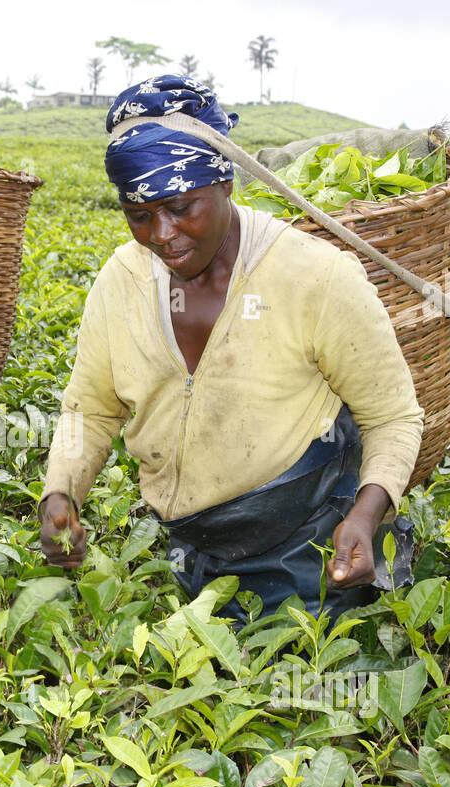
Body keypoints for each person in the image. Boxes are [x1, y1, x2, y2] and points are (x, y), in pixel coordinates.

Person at [38, 75, 423, 623]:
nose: (162, 234)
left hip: (308, 542)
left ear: (225, 185)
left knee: (298, 683)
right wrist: (61, 494)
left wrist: (365, 514)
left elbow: (393, 417)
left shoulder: (317, 276)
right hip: (186, 546)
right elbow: (90, 410)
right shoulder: (120, 282)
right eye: (139, 215)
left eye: (181, 207)